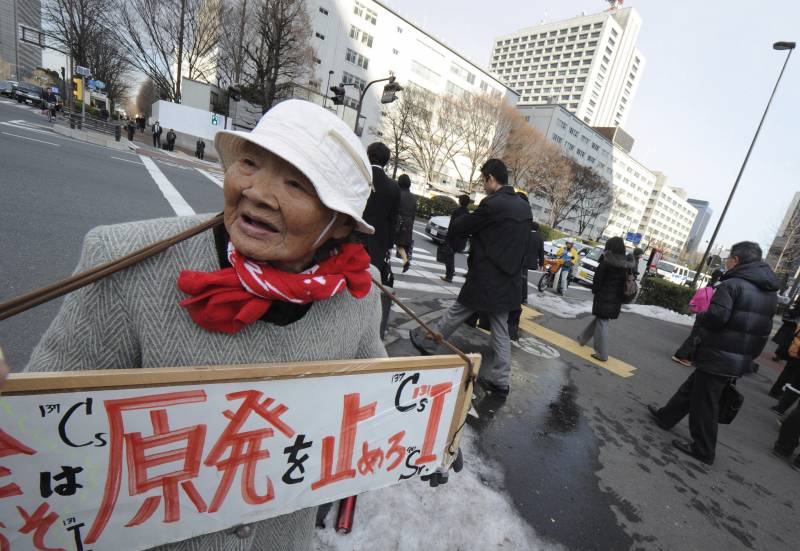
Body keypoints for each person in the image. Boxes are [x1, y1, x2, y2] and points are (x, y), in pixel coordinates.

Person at [23, 100, 388, 551]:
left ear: (339, 224)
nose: (256, 192)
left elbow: (376, 403)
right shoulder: (124, 260)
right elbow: (42, 432)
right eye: (249, 163)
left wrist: (435, 413)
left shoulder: (357, 294)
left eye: (296, 183)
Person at [649, 241, 779, 465]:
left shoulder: (732, 285)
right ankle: (666, 416)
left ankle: (703, 448)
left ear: (736, 260)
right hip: (738, 356)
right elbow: (764, 330)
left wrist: (702, 315)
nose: (727, 261)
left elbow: (717, 317)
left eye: (729, 257)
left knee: (705, 402)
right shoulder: (769, 292)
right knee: (693, 388)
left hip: (719, 352)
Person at [411, 159, 532, 396]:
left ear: (490, 178)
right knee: (500, 329)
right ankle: (501, 380)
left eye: (483, 180)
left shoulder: (493, 204)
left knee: (458, 311)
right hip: (509, 279)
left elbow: (464, 226)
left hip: (486, 277)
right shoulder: (523, 208)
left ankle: (428, 343)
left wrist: (459, 216)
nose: (483, 185)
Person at [361, 141, 400, 339]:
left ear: (368, 156)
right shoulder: (393, 187)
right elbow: (393, 220)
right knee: (370, 285)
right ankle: (366, 326)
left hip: (353, 237)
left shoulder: (361, 176)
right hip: (378, 243)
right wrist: (388, 246)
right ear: (386, 162)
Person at [577, 236, 634, 362]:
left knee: (602, 322)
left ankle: (602, 354)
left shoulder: (607, 261)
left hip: (604, 296)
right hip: (617, 298)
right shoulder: (627, 264)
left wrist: (595, 291)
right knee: (601, 318)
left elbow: (598, 279)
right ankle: (582, 338)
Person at [671, 269, 725, 367]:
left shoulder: (711, 284)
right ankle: (680, 355)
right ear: (720, 277)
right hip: (707, 314)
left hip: (702, 313)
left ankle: (688, 357)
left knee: (698, 336)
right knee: (696, 336)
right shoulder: (718, 286)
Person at [440, 194, 471, 283]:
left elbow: (451, 226)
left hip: (454, 238)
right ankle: (451, 272)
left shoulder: (456, 212)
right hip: (462, 239)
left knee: (449, 257)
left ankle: (449, 276)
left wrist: (447, 239)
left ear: (460, 202)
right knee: (451, 256)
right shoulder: (468, 213)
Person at [394, 174, 417, 273]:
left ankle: (383, 259)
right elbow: (413, 214)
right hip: (408, 223)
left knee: (391, 241)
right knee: (400, 244)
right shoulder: (413, 198)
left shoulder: (398, 194)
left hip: (398, 222)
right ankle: (405, 261)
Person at [524, 221, 546, 303]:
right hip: (531, 262)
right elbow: (541, 252)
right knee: (523, 278)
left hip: (521, 260)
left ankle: (522, 295)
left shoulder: (525, 235)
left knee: (520, 278)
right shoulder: (540, 238)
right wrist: (541, 264)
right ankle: (523, 297)